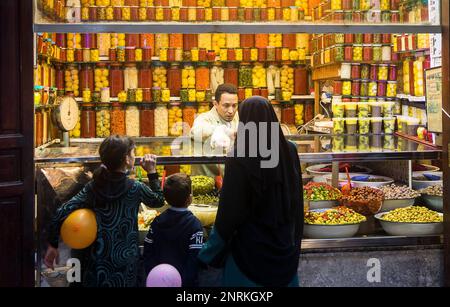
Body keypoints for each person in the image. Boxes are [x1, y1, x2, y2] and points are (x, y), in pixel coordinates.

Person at [198, 96, 303, 287]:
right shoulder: (289, 150)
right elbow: (297, 198)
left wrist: (208, 252)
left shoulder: (239, 157)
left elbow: (229, 213)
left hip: (249, 253)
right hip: (284, 249)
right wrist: (294, 240)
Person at [44, 135, 165, 287]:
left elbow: (62, 211)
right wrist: (152, 172)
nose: (134, 156)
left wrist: (52, 244)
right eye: (133, 153)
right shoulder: (135, 188)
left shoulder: (93, 187)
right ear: (127, 159)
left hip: (98, 260)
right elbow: (159, 201)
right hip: (126, 260)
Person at [143, 173, 204, 287]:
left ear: (166, 199)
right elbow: (194, 259)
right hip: (185, 282)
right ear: (189, 199)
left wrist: (153, 273)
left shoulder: (157, 221)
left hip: (159, 281)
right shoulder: (195, 225)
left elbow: (148, 251)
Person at [190, 83, 239, 177]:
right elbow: (195, 131)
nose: (231, 111)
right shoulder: (204, 118)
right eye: (226, 105)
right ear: (215, 104)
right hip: (206, 181)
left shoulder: (237, 116)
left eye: (234, 105)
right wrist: (220, 131)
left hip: (230, 179)